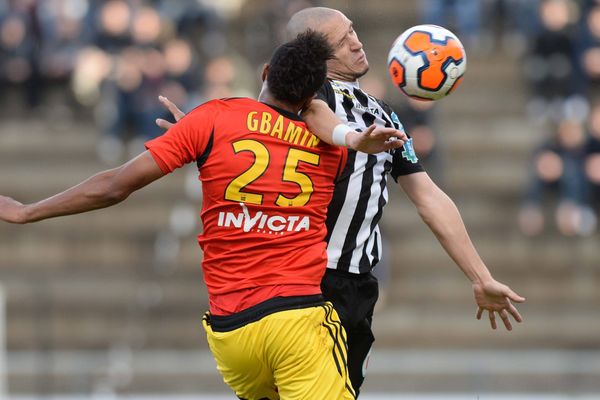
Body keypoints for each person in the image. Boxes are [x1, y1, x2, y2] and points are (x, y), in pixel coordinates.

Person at [0, 31, 406, 400]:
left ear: (265, 72)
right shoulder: (330, 151)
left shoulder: (213, 119)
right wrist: (350, 136)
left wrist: (26, 211)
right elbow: (310, 128)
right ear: (314, 95)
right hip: (296, 322)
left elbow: (113, 186)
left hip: (232, 335)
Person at [157, 7, 526, 397]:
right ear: (315, 57)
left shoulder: (382, 113)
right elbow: (306, 114)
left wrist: (480, 276)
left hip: (356, 287)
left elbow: (429, 196)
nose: (357, 42)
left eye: (354, 31)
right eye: (343, 40)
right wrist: (349, 138)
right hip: (306, 282)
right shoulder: (309, 96)